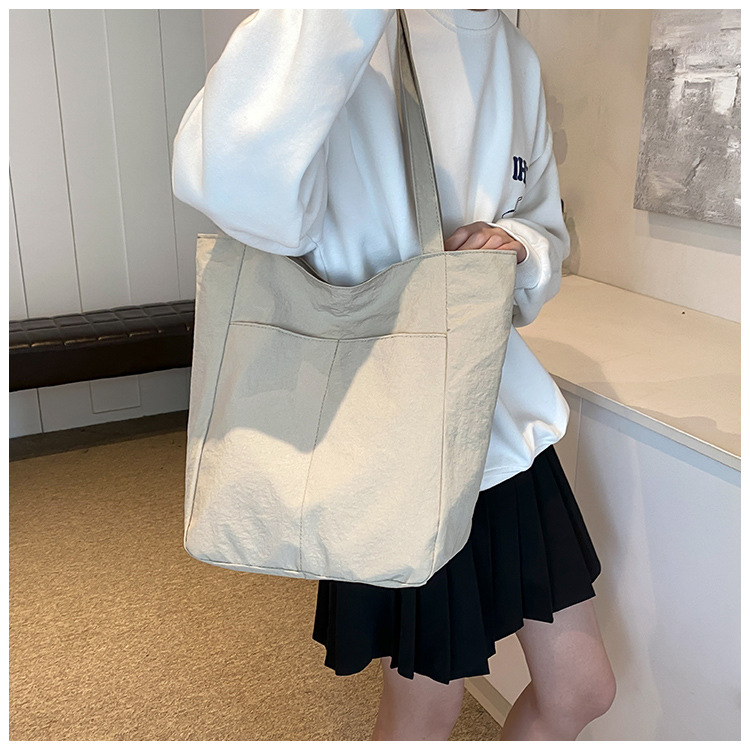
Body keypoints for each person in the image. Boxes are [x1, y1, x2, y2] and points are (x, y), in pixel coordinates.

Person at [172, 9, 616, 741]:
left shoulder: (513, 52)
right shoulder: (349, 24)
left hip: (499, 420)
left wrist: (517, 245)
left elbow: (542, 229)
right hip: (386, 429)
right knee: (425, 709)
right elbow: (238, 188)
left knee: (581, 690)